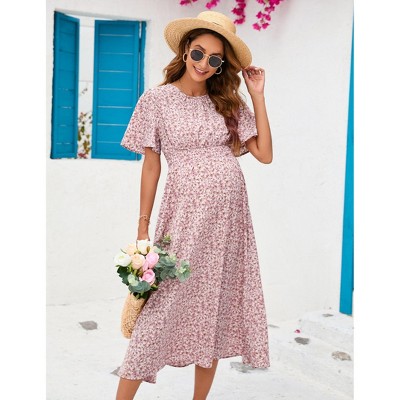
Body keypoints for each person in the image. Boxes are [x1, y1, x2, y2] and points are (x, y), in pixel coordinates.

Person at [115, 10, 273, 400]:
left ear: (221, 65)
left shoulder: (228, 102)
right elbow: (151, 166)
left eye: (214, 59)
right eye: (199, 53)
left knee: (213, 306)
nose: (204, 63)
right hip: (184, 213)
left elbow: (264, 154)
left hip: (229, 219)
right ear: (186, 50)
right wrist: (142, 225)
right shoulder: (157, 100)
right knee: (161, 304)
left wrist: (257, 95)